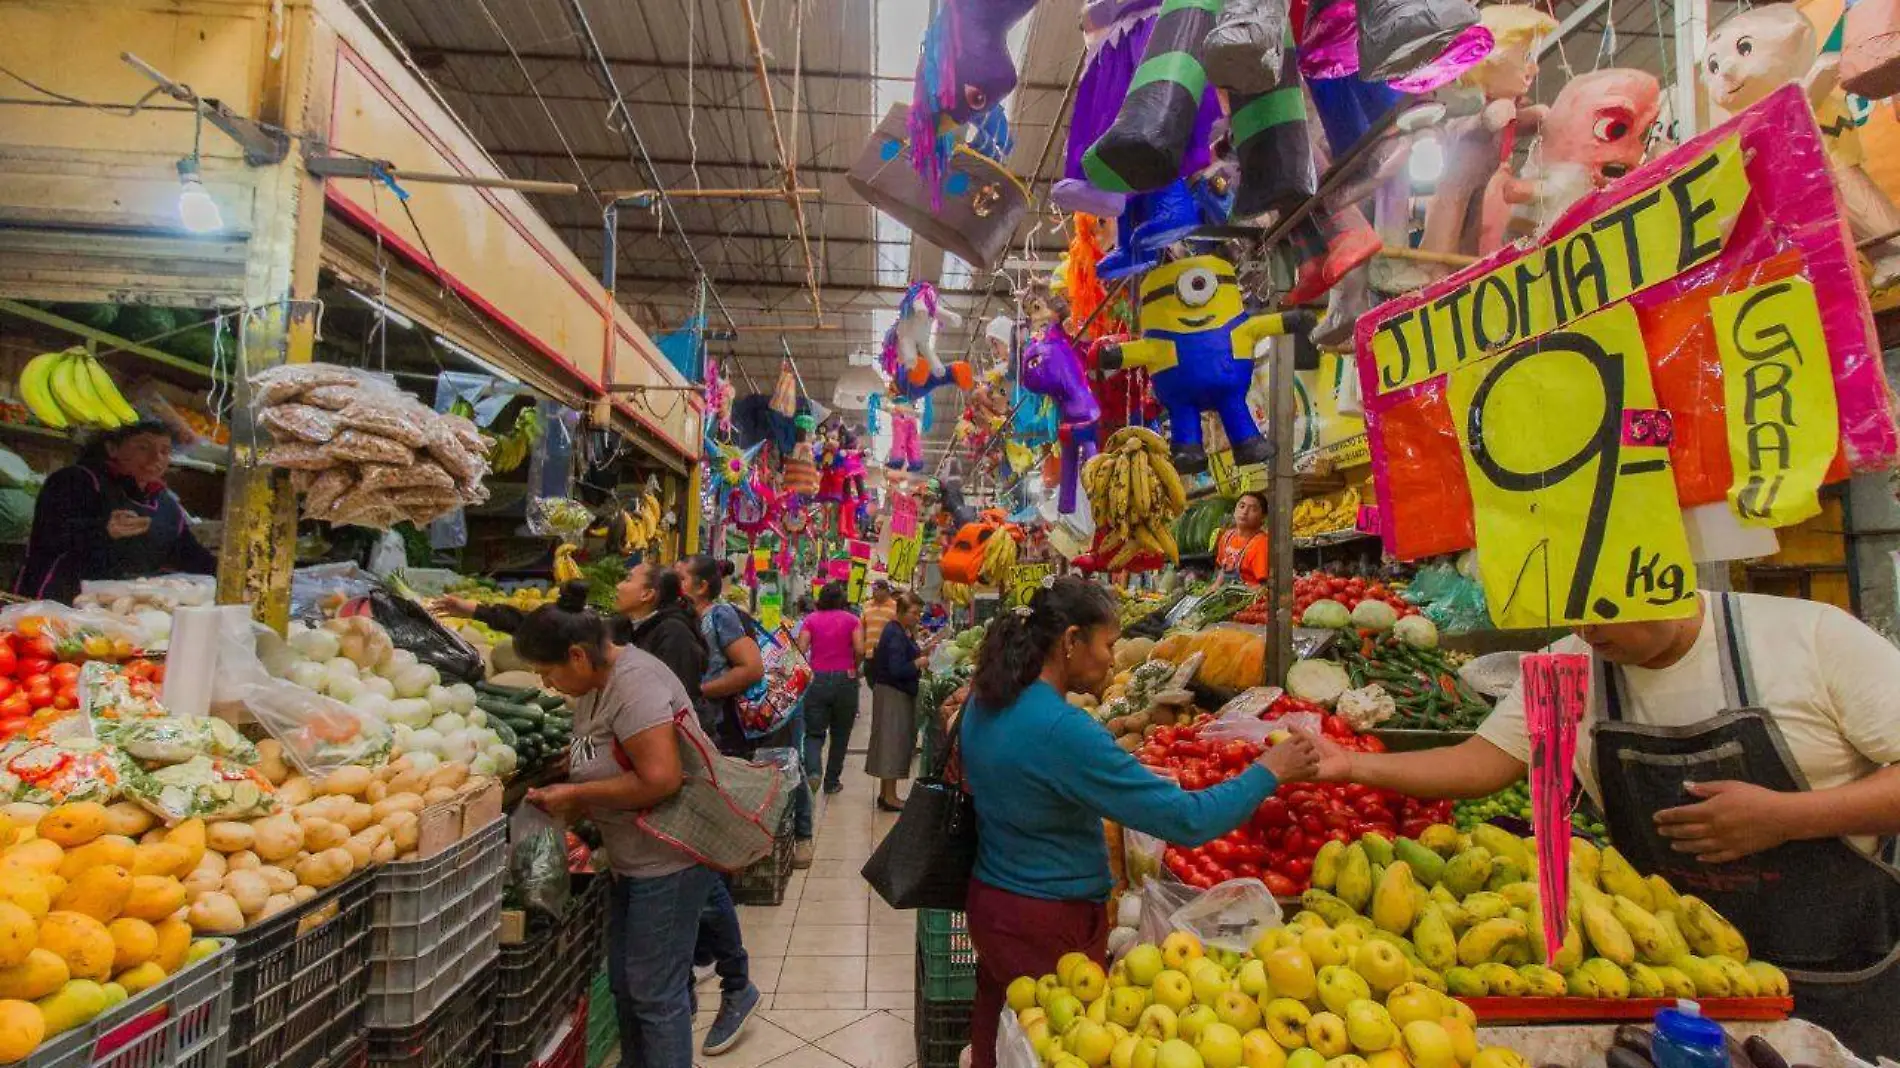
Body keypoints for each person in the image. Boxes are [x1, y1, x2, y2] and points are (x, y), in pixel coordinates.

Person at [1316, 590, 1900, 1059]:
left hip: (1838, 979)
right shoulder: (1566, 668)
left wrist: (1785, 818)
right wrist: (1349, 765)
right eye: (1576, 607)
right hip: (1660, 981)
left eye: (1603, 605)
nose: (1588, 630)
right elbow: (1482, 763)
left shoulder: (1809, 637)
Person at [960, 577, 1323, 1068]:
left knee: (1004, 1041)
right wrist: (1268, 773)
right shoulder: (1064, 731)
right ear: (1070, 641)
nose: (1113, 659)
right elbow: (1186, 821)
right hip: (1050, 922)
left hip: (993, 904)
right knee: (1061, 1047)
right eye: (1107, 644)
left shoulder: (986, 700)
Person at [515, 582, 757, 1068]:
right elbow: (593, 747)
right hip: (634, 858)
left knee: (654, 992)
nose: (545, 685)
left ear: (578, 656)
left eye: (547, 672)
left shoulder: (635, 684)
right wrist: (566, 774)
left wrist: (578, 794)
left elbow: (661, 778)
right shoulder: (595, 687)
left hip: (664, 862)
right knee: (629, 984)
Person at [17, 421, 216, 603]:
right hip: (53, 602)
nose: (156, 458)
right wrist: (103, 530)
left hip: (114, 610)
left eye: (165, 451)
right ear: (112, 449)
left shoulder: (166, 504)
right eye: (143, 447)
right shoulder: (76, 480)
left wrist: (230, 574)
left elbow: (189, 554)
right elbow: (49, 536)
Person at [865, 592, 933, 811]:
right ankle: (890, 796)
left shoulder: (901, 631)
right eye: (914, 613)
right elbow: (896, 669)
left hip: (894, 692)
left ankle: (887, 794)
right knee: (892, 743)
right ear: (901, 612)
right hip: (892, 693)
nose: (917, 617)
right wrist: (918, 663)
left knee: (890, 742)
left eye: (919, 613)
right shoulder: (894, 634)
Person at [797, 581, 865, 796]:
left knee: (814, 733)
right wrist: (854, 665)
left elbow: (800, 649)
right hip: (846, 680)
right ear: (842, 600)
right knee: (841, 734)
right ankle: (832, 781)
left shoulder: (811, 620)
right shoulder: (853, 620)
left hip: (816, 679)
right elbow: (860, 648)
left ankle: (813, 772)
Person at [1212, 491, 1270, 585]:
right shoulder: (1227, 537)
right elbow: (1223, 569)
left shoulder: (1261, 543)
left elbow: (1263, 586)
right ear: (1234, 511)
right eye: (1242, 506)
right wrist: (1215, 586)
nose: (1245, 512)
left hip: (1251, 596)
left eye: (1253, 509)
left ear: (1263, 517)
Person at [859, 580, 899, 671]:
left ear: (886, 591)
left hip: (887, 655)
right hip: (869, 654)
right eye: (873, 589)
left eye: (877, 589)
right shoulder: (867, 605)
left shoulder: (895, 607)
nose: (874, 592)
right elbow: (862, 628)